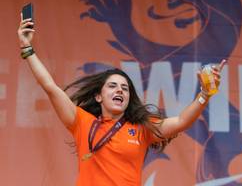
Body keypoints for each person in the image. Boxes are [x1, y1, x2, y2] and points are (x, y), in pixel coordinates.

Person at [17, 15, 226, 186]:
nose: (120, 90)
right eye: (113, 86)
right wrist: (27, 49)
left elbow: (181, 121)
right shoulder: (82, 122)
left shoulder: (142, 127)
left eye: (125, 88)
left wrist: (204, 95)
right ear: (98, 96)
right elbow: (50, 87)